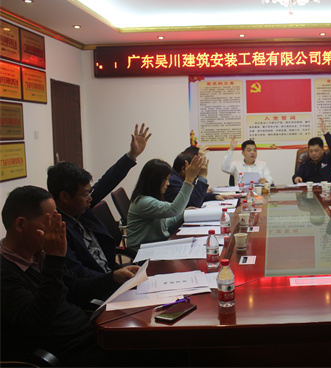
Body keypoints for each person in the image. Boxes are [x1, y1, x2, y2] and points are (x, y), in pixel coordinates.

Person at [0, 186, 139, 366]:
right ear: (20, 225)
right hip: (67, 354)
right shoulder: (6, 272)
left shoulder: (39, 255)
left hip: (90, 335)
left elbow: (75, 287)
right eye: (50, 221)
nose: (58, 228)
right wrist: (54, 259)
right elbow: (37, 322)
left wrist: (113, 278)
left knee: (157, 343)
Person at [47, 123, 151, 279]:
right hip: (101, 286)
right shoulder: (58, 231)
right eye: (85, 194)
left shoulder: (80, 207)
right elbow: (79, 274)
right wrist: (113, 278)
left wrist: (132, 155)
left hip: (111, 274)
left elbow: (107, 182)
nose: (90, 198)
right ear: (65, 197)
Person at [126, 155, 204, 251]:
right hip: (142, 251)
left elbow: (165, 223)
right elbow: (174, 210)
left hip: (154, 245)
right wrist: (189, 180)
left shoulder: (148, 199)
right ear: (155, 181)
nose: (168, 183)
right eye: (166, 179)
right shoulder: (143, 202)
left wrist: (183, 214)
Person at [293, 118, 331, 184]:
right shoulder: (305, 164)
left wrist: (325, 132)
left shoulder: (329, 160)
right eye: (311, 151)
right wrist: (296, 178)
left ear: (322, 150)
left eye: (316, 151)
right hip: (309, 189)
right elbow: (296, 175)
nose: (313, 154)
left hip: (326, 189)